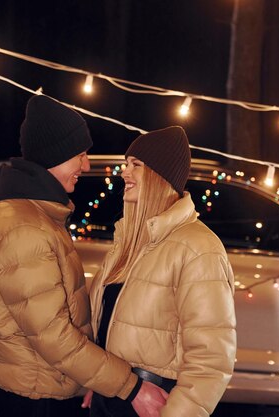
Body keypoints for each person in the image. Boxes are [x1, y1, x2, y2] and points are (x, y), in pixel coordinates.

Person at [0, 95, 167, 417]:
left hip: (46, 390)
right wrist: (130, 387)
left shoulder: (38, 217)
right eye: (80, 154)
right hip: (34, 403)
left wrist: (87, 380)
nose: (86, 165)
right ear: (54, 156)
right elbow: (53, 336)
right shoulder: (22, 228)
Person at [85, 126, 237, 417]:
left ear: (159, 176)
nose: (124, 173)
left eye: (136, 166)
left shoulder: (198, 248)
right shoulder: (127, 242)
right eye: (126, 164)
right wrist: (103, 383)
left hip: (154, 405)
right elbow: (107, 327)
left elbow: (210, 359)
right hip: (114, 398)